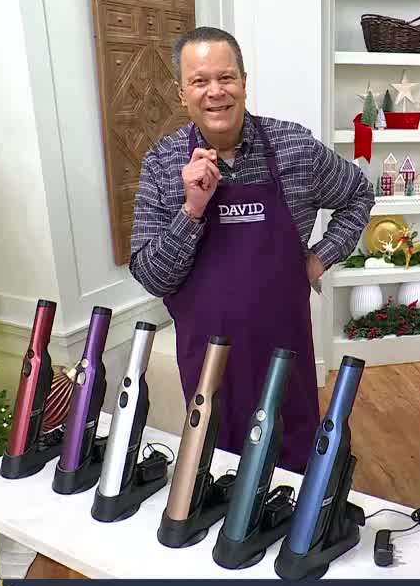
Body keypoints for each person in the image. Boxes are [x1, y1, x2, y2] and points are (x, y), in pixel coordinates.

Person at [129, 26, 374, 473]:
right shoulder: (163, 163)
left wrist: (320, 257)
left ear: (244, 82)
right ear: (181, 92)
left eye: (227, 78)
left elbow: (358, 193)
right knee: (217, 466)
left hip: (286, 361)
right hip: (208, 369)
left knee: (292, 469)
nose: (215, 92)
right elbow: (151, 276)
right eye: (200, 81)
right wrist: (192, 209)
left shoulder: (293, 147)